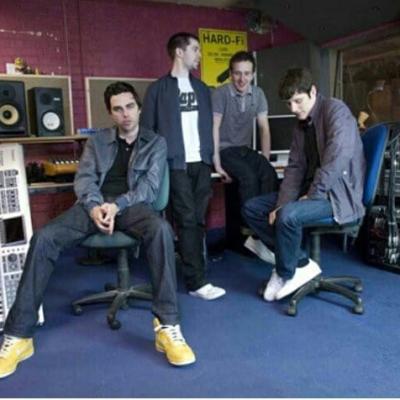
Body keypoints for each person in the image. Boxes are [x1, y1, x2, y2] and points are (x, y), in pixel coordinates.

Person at [0, 82, 196, 379]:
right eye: (118, 109)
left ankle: (167, 326)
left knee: (161, 230)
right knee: (44, 238)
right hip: (94, 206)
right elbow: (85, 179)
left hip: (131, 206)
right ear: (110, 113)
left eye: (130, 107)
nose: (125, 114)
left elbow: (149, 187)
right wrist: (94, 207)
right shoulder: (97, 141)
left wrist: (117, 206)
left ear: (139, 108)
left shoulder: (155, 143)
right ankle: (19, 335)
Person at [242, 67, 366, 302]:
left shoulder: (336, 111)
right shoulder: (301, 125)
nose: (293, 109)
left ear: (313, 92)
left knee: (288, 215)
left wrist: (311, 195)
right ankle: (299, 263)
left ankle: (285, 271)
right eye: (289, 104)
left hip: (338, 197)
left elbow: (336, 159)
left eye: (298, 101)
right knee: (253, 209)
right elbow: (295, 168)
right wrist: (282, 203)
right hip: (311, 191)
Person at [141, 32, 225, 301]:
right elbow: (147, 132)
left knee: (197, 220)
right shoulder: (157, 90)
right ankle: (196, 282)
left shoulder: (202, 89)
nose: (199, 54)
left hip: (201, 163)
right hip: (174, 164)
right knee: (187, 220)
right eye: (195, 49)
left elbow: (210, 127)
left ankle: (194, 272)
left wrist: (214, 159)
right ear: (179, 52)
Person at [212, 51, 278, 254]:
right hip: (224, 149)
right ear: (230, 73)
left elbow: (264, 128)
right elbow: (214, 127)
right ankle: (249, 231)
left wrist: (265, 159)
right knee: (248, 177)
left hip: (245, 149)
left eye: (247, 73)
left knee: (268, 173)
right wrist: (217, 163)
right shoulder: (220, 93)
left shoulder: (258, 94)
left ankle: (265, 227)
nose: (242, 79)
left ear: (253, 74)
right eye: (237, 73)